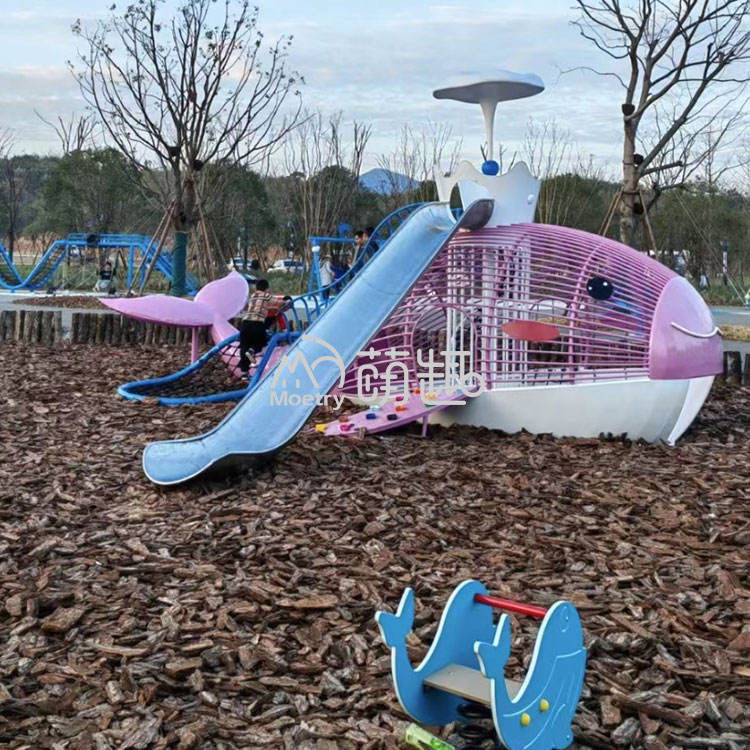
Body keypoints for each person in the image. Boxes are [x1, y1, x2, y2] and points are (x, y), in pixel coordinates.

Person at [239, 279, 275, 377]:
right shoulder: (266, 295)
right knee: (260, 342)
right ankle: (253, 350)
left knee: (244, 346)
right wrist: (285, 302)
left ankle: (244, 372)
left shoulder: (252, 296)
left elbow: (248, 306)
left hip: (245, 324)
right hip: (257, 323)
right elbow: (276, 302)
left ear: (256, 288)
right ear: (267, 289)